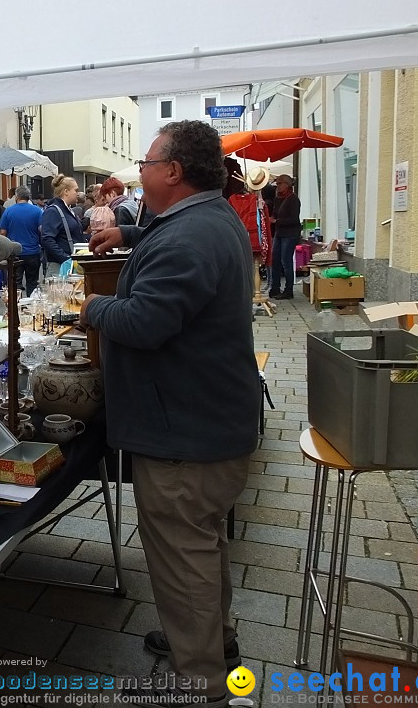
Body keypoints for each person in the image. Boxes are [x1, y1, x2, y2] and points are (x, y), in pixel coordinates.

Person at [83, 121, 256, 708]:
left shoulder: (191, 236)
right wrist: (128, 232)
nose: (140, 169)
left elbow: (145, 322)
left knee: (184, 560)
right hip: (207, 423)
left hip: (186, 433)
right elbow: (170, 240)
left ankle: (203, 681)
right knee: (201, 548)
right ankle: (213, 642)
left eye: (147, 160)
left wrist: (94, 306)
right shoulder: (206, 218)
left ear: (174, 171)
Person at [0, 186, 42, 296]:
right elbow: (42, 230)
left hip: (15, 253)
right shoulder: (37, 211)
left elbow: (2, 232)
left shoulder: (8, 211)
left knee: (15, 283)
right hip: (33, 252)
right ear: (29, 197)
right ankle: (31, 308)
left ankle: (15, 308)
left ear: (16, 197)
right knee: (32, 283)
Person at [40, 173, 85, 270]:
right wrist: (65, 258)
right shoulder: (53, 211)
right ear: (66, 192)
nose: (78, 193)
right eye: (76, 190)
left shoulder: (68, 210)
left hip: (70, 264)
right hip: (60, 267)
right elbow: (47, 239)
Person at [269, 173, 301, 300]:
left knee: (286, 261)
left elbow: (294, 219)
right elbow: (275, 213)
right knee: (275, 260)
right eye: (277, 184)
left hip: (290, 234)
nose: (277, 186)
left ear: (287, 185)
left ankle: (289, 290)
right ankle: (275, 287)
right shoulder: (278, 198)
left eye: (280, 183)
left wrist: (277, 221)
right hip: (279, 233)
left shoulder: (293, 199)